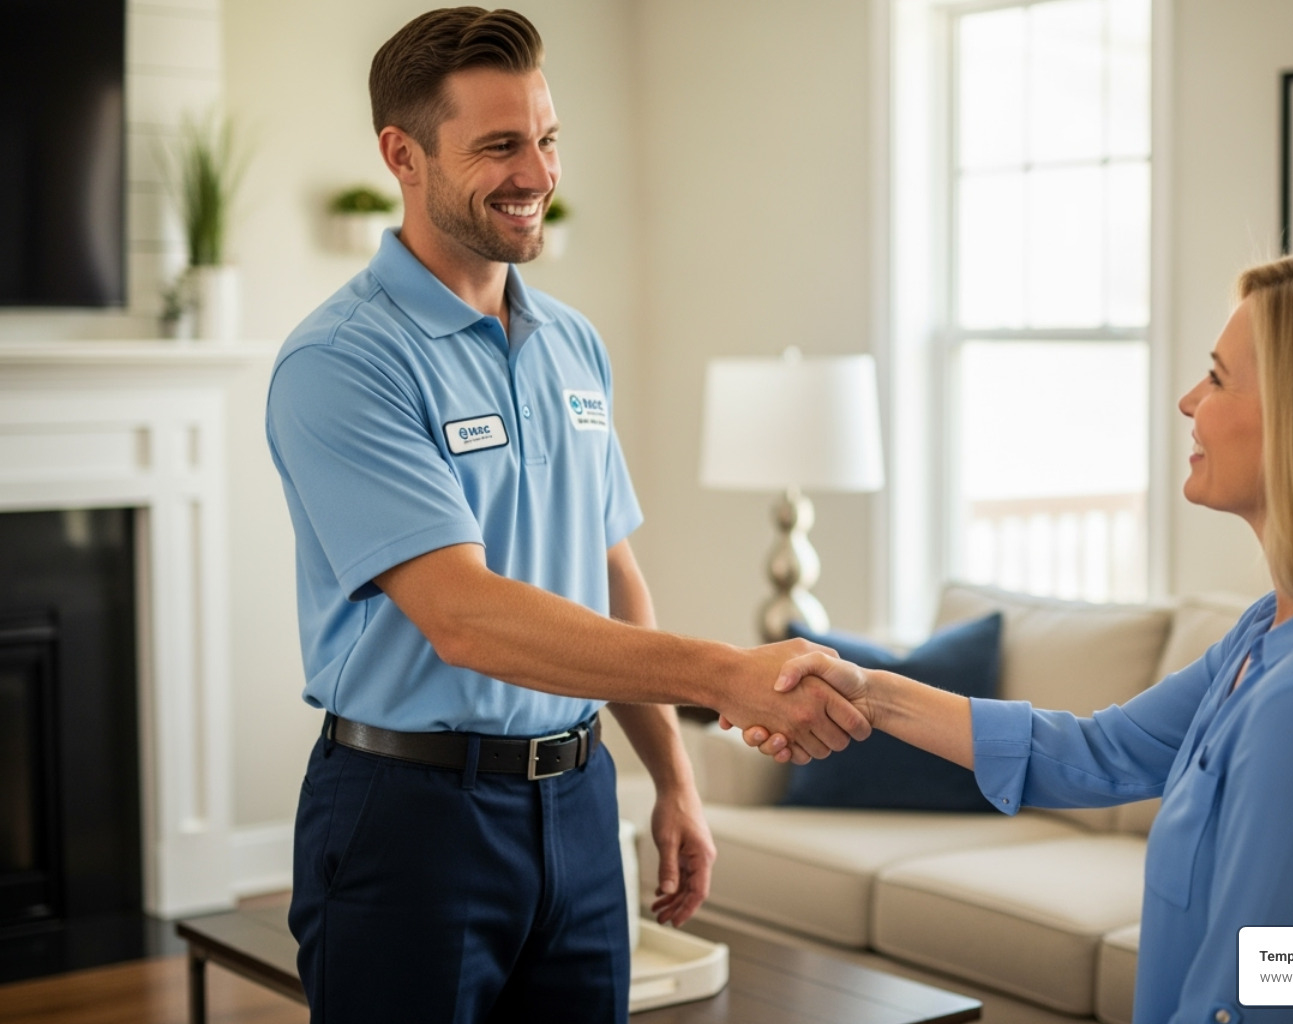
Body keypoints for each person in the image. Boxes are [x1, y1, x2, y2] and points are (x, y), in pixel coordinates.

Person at [265, 9, 867, 1023]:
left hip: (580, 802)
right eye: (500, 145)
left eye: (547, 139)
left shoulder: (573, 345)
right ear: (402, 155)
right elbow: (465, 617)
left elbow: (610, 569)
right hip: (412, 817)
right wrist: (725, 674)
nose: (537, 172)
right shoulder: (343, 362)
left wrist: (672, 777)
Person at [737, 251, 1293, 1024]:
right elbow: (1099, 755)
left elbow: (1240, 1011)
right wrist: (874, 696)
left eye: (1218, 379)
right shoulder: (1287, 632)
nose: (1188, 400)